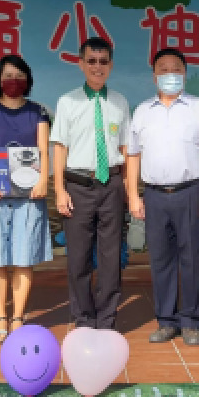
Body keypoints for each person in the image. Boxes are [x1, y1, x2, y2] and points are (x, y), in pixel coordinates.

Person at [126, 47, 199, 346]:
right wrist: (133, 196)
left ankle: (192, 322)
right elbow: (133, 156)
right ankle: (166, 321)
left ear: (185, 73)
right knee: (160, 260)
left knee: (192, 259)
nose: (170, 74)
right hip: (155, 195)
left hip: (192, 192)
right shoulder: (142, 111)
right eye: (164, 69)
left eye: (176, 69)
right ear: (154, 76)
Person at [0, 55, 53, 343]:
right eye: (7, 76)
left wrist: (43, 180)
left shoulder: (38, 111)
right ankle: (0, 317)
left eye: (19, 75)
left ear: (28, 79)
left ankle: (17, 316)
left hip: (30, 194)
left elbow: (43, 150)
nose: (13, 81)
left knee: (23, 256)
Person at [51, 37, 130, 330]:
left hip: (112, 184)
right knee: (79, 256)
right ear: (81, 64)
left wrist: (128, 190)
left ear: (111, 65)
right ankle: (83, 318)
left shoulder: (120, 102)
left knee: (111, 256)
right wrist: (60, 191)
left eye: (103, 62)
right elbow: (59, 148)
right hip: (77, 185)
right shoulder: (67, 101)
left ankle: (107, 318)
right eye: (92, 61)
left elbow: (126, 149)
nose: (98, 67)